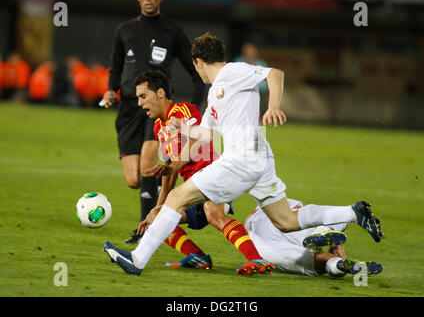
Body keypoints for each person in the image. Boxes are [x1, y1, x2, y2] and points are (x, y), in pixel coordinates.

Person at [105, 32, 383, 276]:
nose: (197, 71)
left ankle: (137, 260)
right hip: (258, 157)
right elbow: (206, 135)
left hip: (241, 158)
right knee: (286, 220)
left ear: (198, 62)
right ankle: (353, 213)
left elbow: (276, 74)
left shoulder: (232, 71)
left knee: (176, 198)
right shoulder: (216, 93)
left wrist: (272, 106)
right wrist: (182, 129)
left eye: (195, 66)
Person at [104, 69, 275, 276]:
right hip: (192, 193)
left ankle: (257, 260)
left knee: (214, 213)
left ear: (160, 93)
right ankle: (198, 257)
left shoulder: (184, 110)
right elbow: (169, 173)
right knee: (157, 221)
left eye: (142, 96)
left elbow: (197, 138)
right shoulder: (159, 127)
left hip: (214, 178)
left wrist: (175, 166)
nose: (140, 103)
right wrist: (158, 207)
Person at [101, 0, 205, 244]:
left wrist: (198, 106)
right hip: (128, 107)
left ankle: (146, 230)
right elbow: (115, 66)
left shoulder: (172, 31)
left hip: (155, 108)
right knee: (133, 180)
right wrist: (109, 90)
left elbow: (196, 71)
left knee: (149, 157)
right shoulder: (124, 30)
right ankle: (163, 196)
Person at [245, 198, 383, 277]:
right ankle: (325, 233)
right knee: (334, 218)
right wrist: (338, 245)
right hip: (276, 217)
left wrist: (339, 250)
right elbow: (300, 209)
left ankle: (335, 264)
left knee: (314, 262)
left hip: (260, 236)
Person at [234, 42, 268, 116]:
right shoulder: (237, 61)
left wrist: (251, 85)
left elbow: (264, 86)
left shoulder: (261, 64)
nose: (250, 54)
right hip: (239, 93)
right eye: (247, 52)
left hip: (257, 94)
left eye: (252, 52)